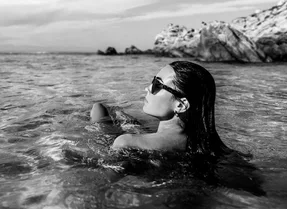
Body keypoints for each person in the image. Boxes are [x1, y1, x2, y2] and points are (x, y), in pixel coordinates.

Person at [91, 61, 233, 157]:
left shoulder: (126, 142)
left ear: (181, 105)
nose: (147, 88)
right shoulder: (215, 150)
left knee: (98, 108)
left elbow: (102, 187)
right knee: (119, 114)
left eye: (157, 85)